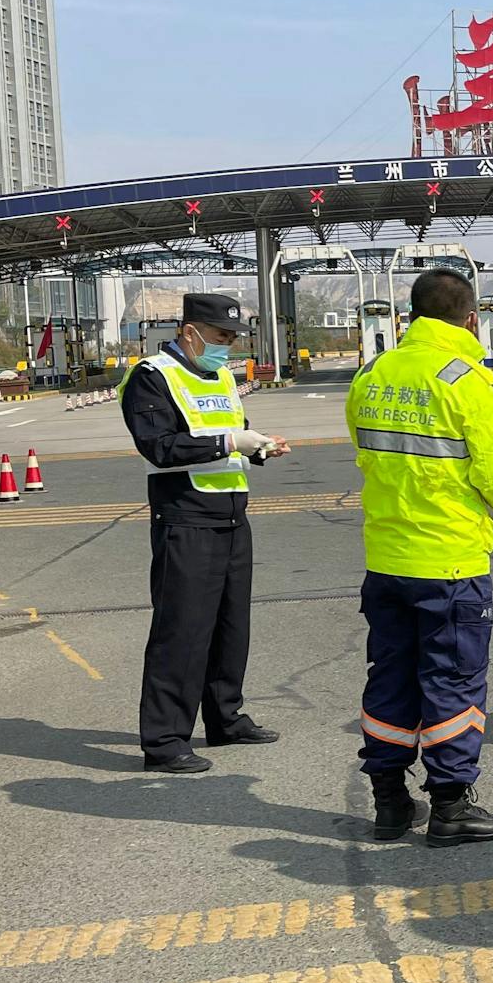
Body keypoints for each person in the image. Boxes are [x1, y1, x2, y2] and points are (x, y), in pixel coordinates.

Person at [345, 268, 493, 847]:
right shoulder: (466, 378)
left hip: (386, 556)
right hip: (449, 561)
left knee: (390, 678)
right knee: (452, 680)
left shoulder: (372, 375)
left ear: (411, 316)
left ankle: (390, 803)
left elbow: (365, 450)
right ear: (471, 319)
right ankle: (449, 804)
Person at [119, 293, 286, 774]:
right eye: (220, 337)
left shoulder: (224, 377)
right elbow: (159, 446)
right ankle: (166, 740)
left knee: (231, 627)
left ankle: (225, 718)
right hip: (186, 517)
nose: (228, 347)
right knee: (183, 631)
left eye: (233, 338)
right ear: (189, 331)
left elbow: (234, 432)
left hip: (232, 513)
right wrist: (230, 441)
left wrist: (258, 448)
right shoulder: (153, 376)